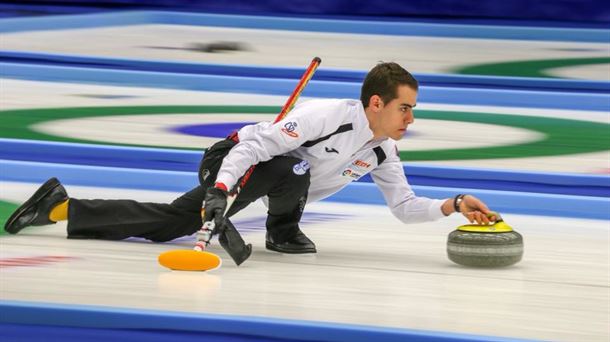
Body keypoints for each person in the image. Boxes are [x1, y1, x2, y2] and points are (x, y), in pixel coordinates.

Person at [4, 62, 495, 266]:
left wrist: (452, 205)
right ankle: (281, 230)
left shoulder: (383, 150)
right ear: (375, 104)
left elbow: (405, 207)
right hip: (233, 160)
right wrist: (221, 188)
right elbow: (253, 148)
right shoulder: (327, 117)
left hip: (275, 178)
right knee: (286, 170)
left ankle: (60, 207)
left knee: (177, 220)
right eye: (404, 108)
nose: (410, 118)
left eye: (412, 110)